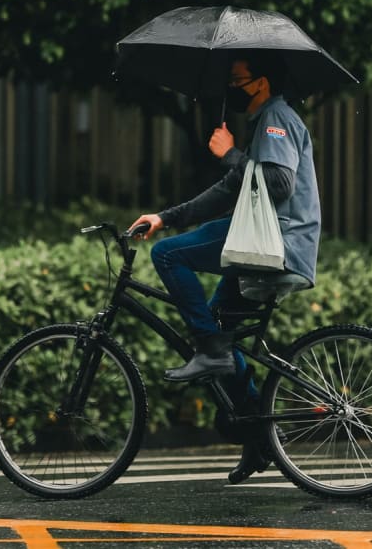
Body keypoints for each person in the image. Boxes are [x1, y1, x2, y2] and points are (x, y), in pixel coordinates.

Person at [129, 54, 321, 483]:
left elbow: (278, 183)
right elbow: (227, 191)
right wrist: (166, 217)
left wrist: (231, 152)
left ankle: (211, 352)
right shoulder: (265, 123)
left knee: (168, 256)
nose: (232, 87)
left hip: (276, 241)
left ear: (262, 83)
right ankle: (258, 437)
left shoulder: (276, 116)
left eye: (239, 79)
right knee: (220, 328)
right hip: (262, 238)